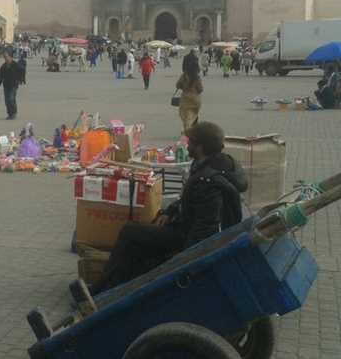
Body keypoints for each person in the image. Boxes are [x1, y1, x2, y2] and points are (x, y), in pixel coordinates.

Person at [90, 122, 248, 294]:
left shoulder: (207, 181)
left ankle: (100, 290)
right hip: (185, 226)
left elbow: (205, 228)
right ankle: (118, 285)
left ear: (200, 147)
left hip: (186, 237)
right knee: (144, 231)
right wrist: (170, 211)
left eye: (190, 142)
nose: (187, 144)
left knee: (129, 231)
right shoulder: (219, 165)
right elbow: (190, 200)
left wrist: (180, 263)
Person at [176, 68, 204, 134]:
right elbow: (200, 89)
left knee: (184, 115)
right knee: (193, 114)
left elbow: (177, 85)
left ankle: (187, 130)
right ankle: (190, 129)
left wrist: (184, 86)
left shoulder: (184, 76)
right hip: (195, 98)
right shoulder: (197, 77)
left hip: (185, 98)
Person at [0, 52, 22, 119]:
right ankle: (9, 113)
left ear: (10, 57)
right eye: (4, 57)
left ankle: (14, 113)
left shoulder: (15, 65)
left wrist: (20, 80)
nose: (5, 58)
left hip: (13, 85)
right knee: (6, 101)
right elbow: (0, 75)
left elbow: (21, 72)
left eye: (6, 57)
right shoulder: (3, 66)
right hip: (6, 85)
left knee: (11, 99)